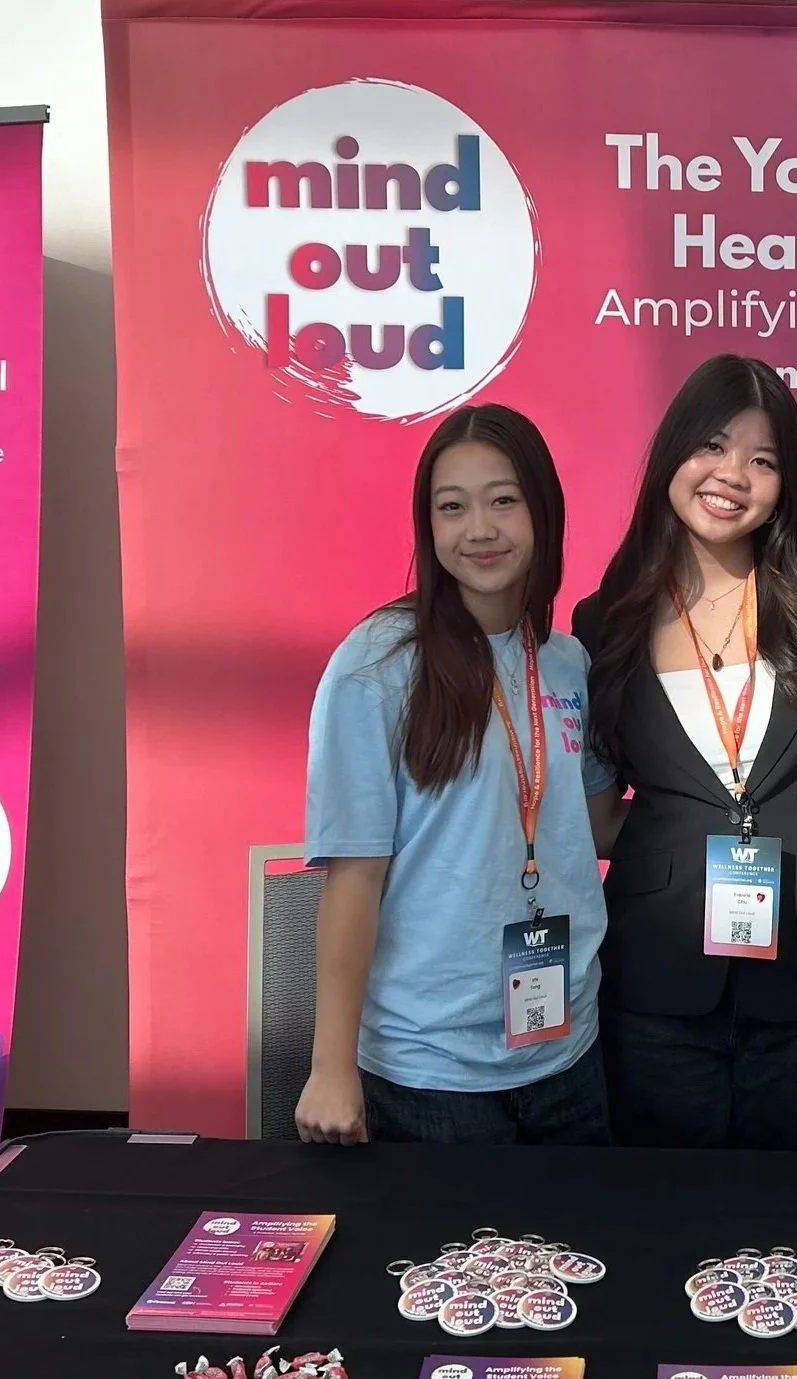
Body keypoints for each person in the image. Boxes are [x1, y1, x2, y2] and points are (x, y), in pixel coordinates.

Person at [294, 403, 622, 1146]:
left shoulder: (565, 661)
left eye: (503, 500)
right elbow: (353, 876)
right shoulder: (377, 665)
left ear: (543, 511)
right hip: (430, 1069)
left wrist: (726, 819)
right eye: (452, 507)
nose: (479, 529)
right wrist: (331, 1066)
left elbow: (599, 825)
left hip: (568, 1051)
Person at [573, 354, 797, 1150]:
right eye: (711, 445)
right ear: (672, 452)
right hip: (655, 977)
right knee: (664, 1203)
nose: (732, 475)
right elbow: (598, 811)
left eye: (762, 460)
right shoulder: (604, 619)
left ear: (787, 482)